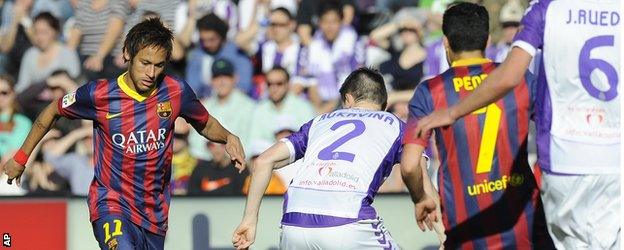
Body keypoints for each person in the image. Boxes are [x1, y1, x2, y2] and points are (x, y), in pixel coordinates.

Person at [2, 18, 246, 250]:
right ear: (128, 55)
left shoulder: (175, 91)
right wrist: (21, 158)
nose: (151, 73)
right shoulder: (99, 94)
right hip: (111, 202)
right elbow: (51, 111)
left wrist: (228, 137)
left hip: (154, 213)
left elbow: (204, 123)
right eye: (145, 63)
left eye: (159, 65)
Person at [413, 0, 621, 249]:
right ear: (488, 40)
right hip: (614, 154)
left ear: (446, 41)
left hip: (566, 158)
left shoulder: (545, 8)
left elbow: (510, 76)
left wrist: (454, 112)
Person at [402, 3, 554, 249]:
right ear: (488, 39)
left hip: (466, 226)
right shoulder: (520, 79)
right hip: (524, 221)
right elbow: (552, 130)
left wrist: (420, 197)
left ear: (446, 43)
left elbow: (409, 166)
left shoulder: (429, 92)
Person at [231, 67, 434, 249]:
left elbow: (263, 161)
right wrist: (444, 236)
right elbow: (418, 172)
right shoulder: (396, 125)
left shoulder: (319, 122)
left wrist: (249, 220)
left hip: (293, 225)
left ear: (347, 99)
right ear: (384, 103)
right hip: (349, 222)